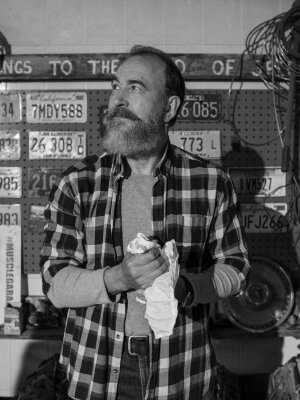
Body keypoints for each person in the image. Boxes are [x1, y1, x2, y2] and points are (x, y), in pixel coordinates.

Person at [40, 45, 250, 400]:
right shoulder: (78, 182)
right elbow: (55, 284)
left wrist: (186, 287)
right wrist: (118, 277)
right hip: (97, 368)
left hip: (182, 369)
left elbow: (237, 269)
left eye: (135, 87)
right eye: (115, 86)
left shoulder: (211, 181)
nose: (118, 99)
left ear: (169, 108)